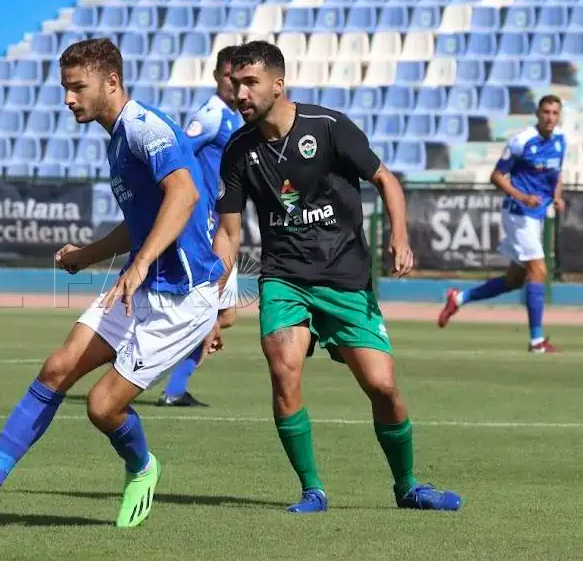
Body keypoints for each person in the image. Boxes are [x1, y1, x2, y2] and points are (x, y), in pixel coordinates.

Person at [0, 38, 223, 528]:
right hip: (142, 284)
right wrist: (89, 256)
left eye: (77, 88)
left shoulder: (147, 129)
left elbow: (185, 194)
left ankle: (143, 466)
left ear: (111, 82)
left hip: (182, 297)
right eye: (65, 88)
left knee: (103, 408)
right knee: (57, 367)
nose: (68, 99)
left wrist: (142, 261)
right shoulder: (118, 139)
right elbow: (141, 221)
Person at [214, 41, 462, 513]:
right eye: (235, 83)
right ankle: (313, 490)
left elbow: (386, 179)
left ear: (278, 85)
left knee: (383, 386)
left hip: (345, 275)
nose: (240, 92)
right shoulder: (238, 150)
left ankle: (407, 486)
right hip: (283, 278)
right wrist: (214, 302)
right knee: (284, 370)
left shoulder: (327, 127)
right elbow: (227, 235)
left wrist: (400, 238)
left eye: (250, 83)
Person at [438, 95, 565, 353]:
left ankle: (459, 298)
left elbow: (557, 172)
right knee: (538, 270)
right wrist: (522, 196)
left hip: (536, 216)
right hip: (518, 213)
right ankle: (537, 341)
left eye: (554, 113)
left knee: (515, 280)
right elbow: (496, 176)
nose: (550, 117)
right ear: (537, 114)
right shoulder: (521, 142)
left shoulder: (560, 141)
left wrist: (558, 197)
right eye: (546, 112)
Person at [157, 44, 244, 408]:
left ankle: (172, 382)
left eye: (238, 77)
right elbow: (179, 153)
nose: (233, 83)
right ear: (216, 77)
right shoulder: (211, 115)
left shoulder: (236, 118)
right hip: (206, 225)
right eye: (227, 75)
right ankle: (168, 383)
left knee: (227, 314)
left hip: (221, 220)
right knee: (213, 310)